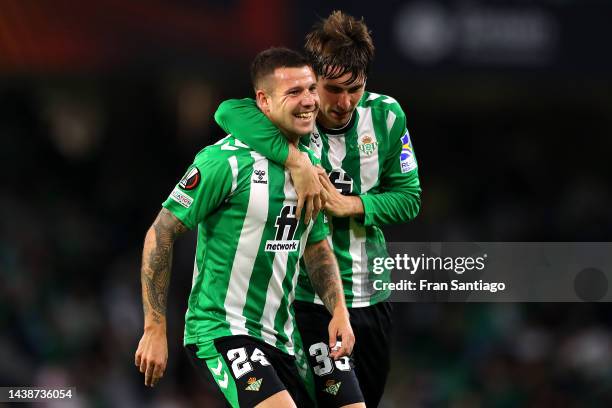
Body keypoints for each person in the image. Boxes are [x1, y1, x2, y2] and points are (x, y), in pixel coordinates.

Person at [214, 11, 421, 407]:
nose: (343, 102)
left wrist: (352, 204)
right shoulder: (292, 121)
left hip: (373, 297)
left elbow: (409, 197)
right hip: (308, 300)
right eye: (332, 89)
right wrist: (298, 161)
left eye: (354, 89)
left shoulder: (388, 116)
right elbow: (227, 111)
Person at [135, 47, 356, 408]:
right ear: (263, 102)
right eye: (294, 92)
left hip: (287, 336)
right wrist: (155, 328)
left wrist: (339, 310)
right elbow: (160, 233)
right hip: (225, 331)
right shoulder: (224, 161)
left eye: (311, 89)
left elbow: (316, 247)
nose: (309, 101)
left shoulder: (313, 167)